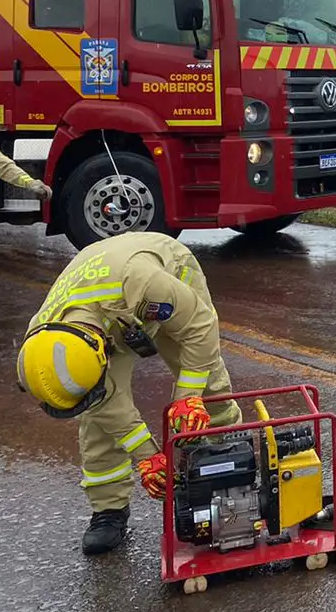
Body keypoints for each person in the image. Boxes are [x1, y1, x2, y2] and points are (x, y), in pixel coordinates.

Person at [14, 232, 243, 556]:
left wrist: (186, 396)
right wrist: (148, 458)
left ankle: (228, 455)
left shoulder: (143, 283)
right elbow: (106, 401)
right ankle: (109, 510)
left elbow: (199, 326)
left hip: (166, 278)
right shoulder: (42, 336)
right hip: (101, 321)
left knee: (204, 383)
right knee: (97, 421)